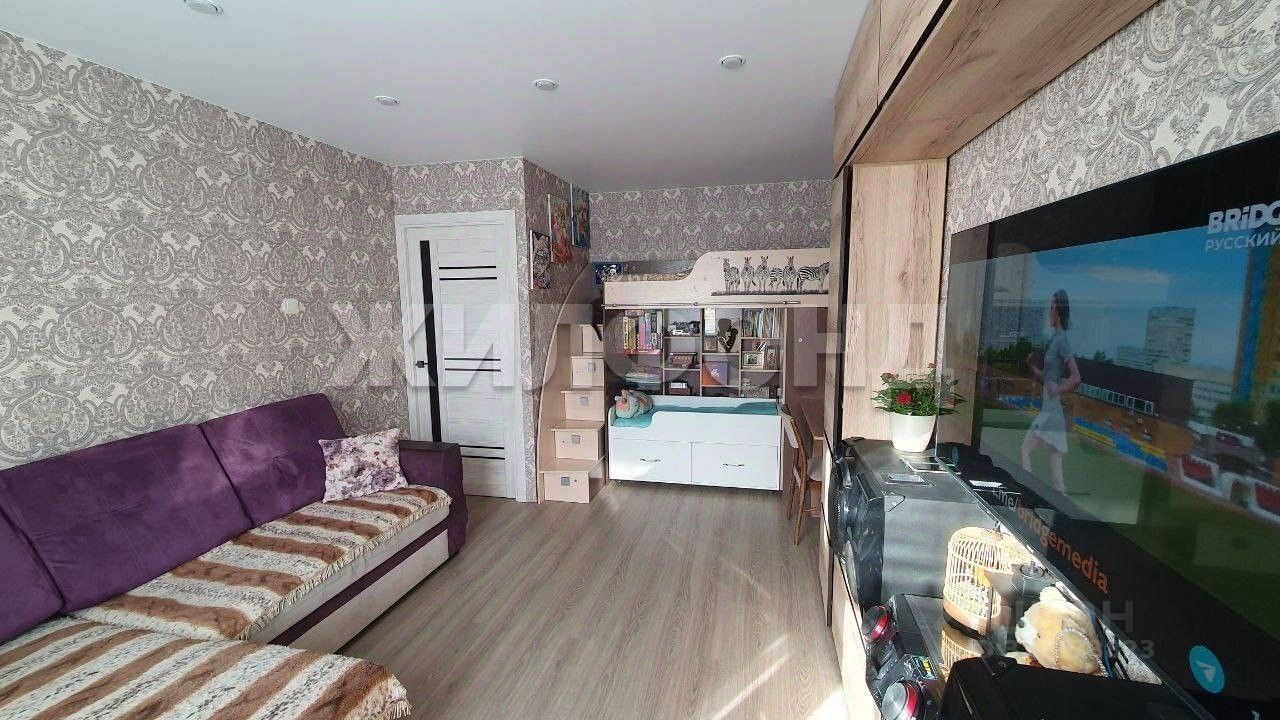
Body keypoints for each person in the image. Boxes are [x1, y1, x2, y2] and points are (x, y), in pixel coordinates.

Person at [1022, 289, 1081, 493]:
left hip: (1050, 412)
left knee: (1025, 450)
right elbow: (1047, 380)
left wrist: (1059, 389)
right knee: (1057, 475)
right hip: (1052, 411)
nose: (1049, 311)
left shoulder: (1062, 340)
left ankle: (1025, 494)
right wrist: (1032, 367)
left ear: (1059, 312)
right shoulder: (1055, 340)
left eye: (1052, 307)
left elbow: (1076, 377)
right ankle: (1061, 505)